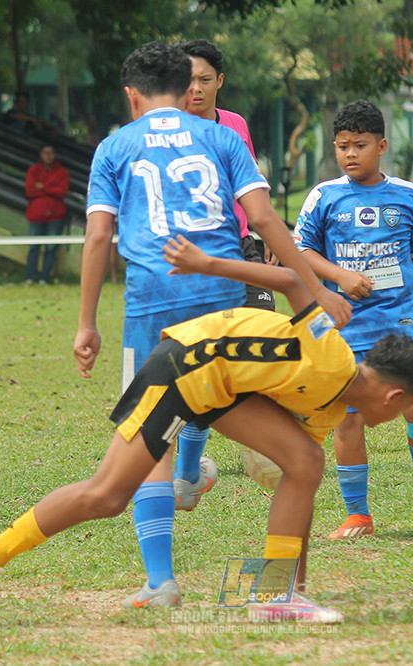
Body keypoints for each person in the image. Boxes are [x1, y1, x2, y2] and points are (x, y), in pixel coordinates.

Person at [0, 234, 413, 628]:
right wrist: (208, 262)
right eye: (409, 406)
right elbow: (290, 278)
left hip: (219, 393)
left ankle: (278, 595)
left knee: (306, 463)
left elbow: (298, 479)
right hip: (181, 370)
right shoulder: (330, 356)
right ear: (392, 397)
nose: (404, 414)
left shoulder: (331, 408)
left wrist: (274, 461)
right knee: (107, 496)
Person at [77, 41, 350, 610]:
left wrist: (86, 324)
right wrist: (317, 287)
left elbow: (100, 237)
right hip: (224, 306)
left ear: (132, 96)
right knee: (293, 449)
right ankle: (282, 588)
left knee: (147, 445)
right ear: (187, 89)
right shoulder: (224, 137)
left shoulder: (113, 147)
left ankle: (161, 581)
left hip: (150, 311)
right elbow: (267, 220)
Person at [293, 99, 413, 540]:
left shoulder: (407, 195)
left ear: (381, 146)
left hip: (399, 316)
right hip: (345, 322)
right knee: (349, 416)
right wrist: (338, 276)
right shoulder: (323, 197)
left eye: (360, 145)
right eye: (342, 146)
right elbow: (301, 251)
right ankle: (358, 513)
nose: (350, 154)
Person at [173, 39, 276, 506]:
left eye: (205, 79)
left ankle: (266, 447)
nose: (195, 89)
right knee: (204, 364)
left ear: (220, 81)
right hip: (190, 259)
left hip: (243, 250)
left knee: (266, 343)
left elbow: (248, 188)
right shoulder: (162, 131)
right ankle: (187, 471)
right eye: (187, 80)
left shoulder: (235, 125)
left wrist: (269, 236)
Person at [24, 145, 70, 284]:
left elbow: (62, 192)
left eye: (51, 153)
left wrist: (43, 186)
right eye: (45, 153)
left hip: (56, 215)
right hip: (36, 215)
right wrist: (52, 188)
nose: (48, 156)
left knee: (51, 248)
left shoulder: (62, 172)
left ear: (55, 155)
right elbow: (30, 191)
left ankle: (45, 278)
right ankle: (30, 277)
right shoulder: (33, 170)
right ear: (41, 154)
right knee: (33, 246)